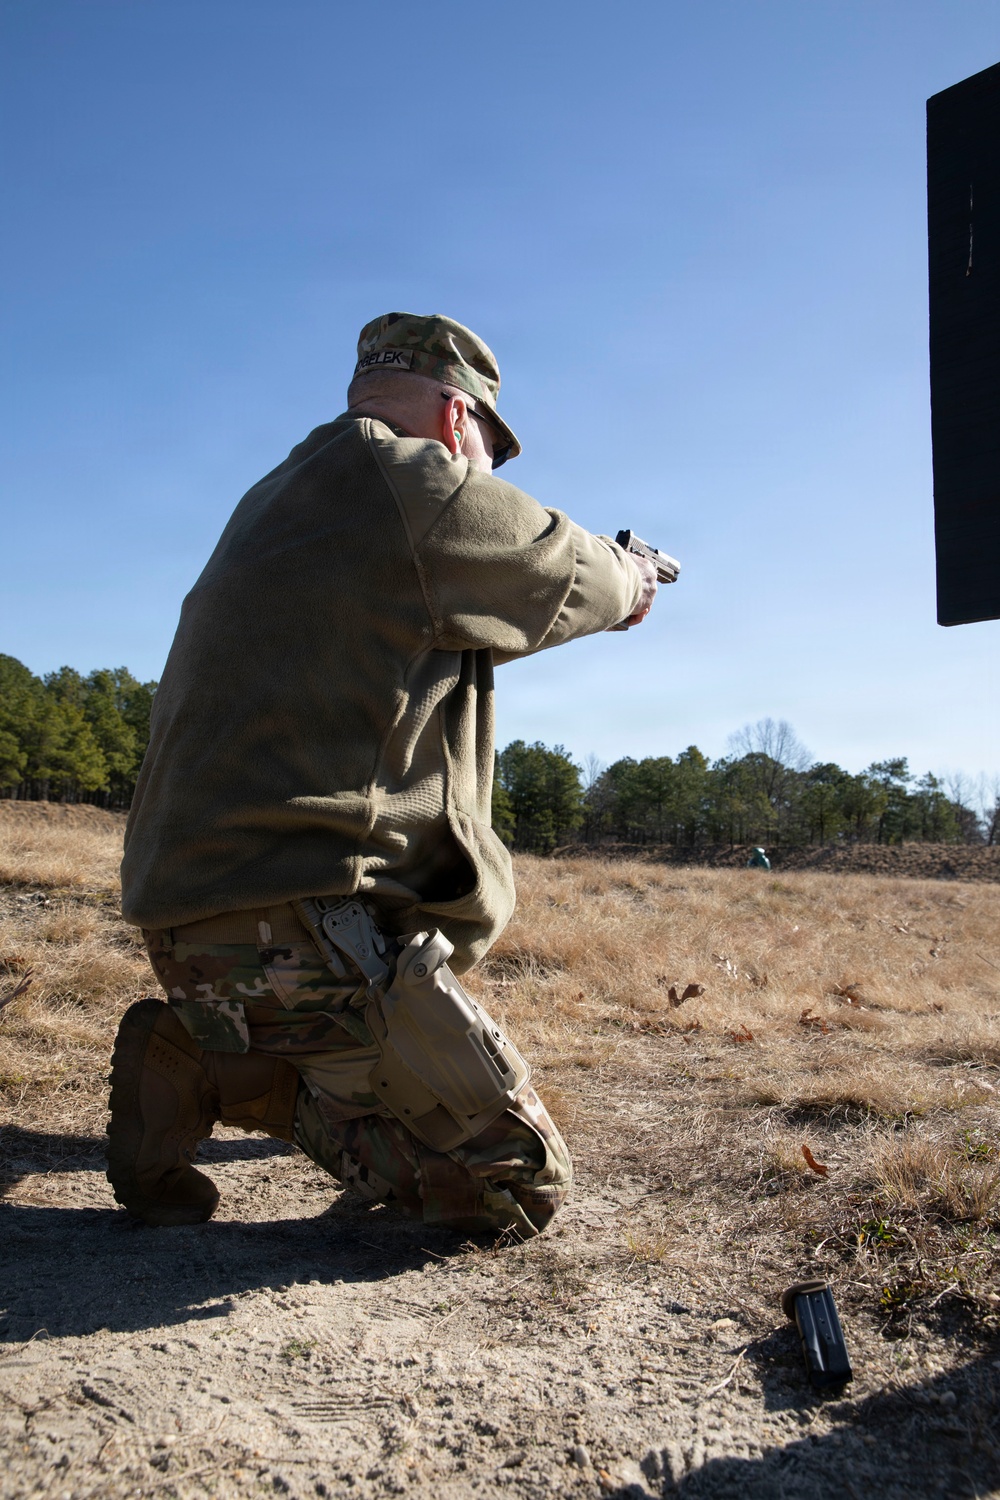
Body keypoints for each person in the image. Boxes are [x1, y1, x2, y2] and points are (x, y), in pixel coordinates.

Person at [108, 312, 658, 1239]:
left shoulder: (285, 494)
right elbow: (568, 572)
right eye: (492, 447)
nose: (489, 471)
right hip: (292, 937)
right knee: (511, 1187)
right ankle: (222, 1069)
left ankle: (218, 1043)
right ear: (457, 419)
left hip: (203, 931)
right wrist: (635, 577)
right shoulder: (409, 483)